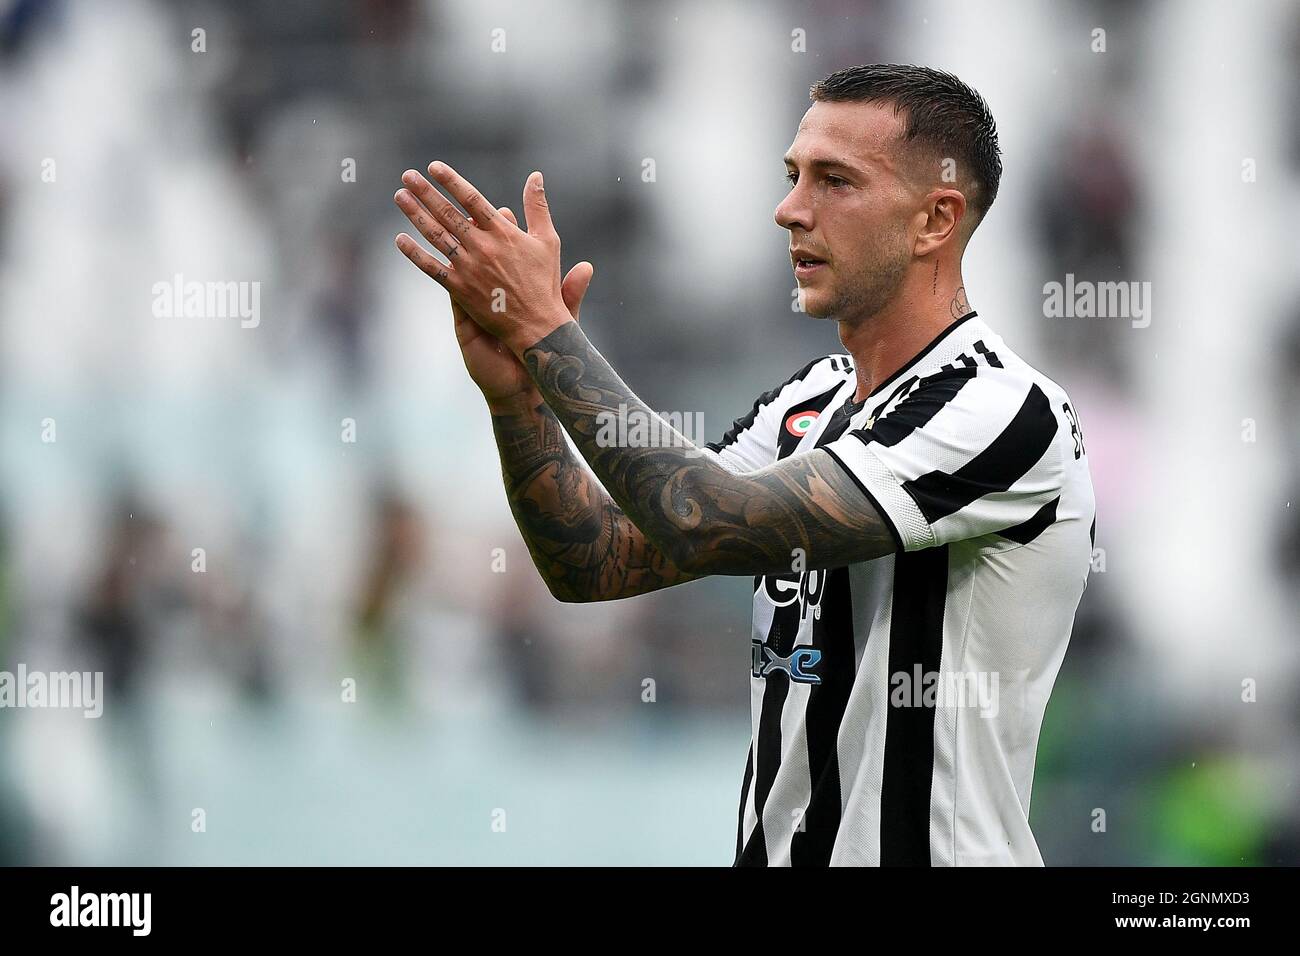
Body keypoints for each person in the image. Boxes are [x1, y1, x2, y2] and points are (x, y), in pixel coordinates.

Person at [392, 64, 1095, 867]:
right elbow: (592, 561)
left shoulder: (1001, 409)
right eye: (794, 176)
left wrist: (550, 333)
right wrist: (519, 399)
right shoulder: (809, 403)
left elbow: (703, 518)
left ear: (935, 220)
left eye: (835, 182)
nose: (789, 209)